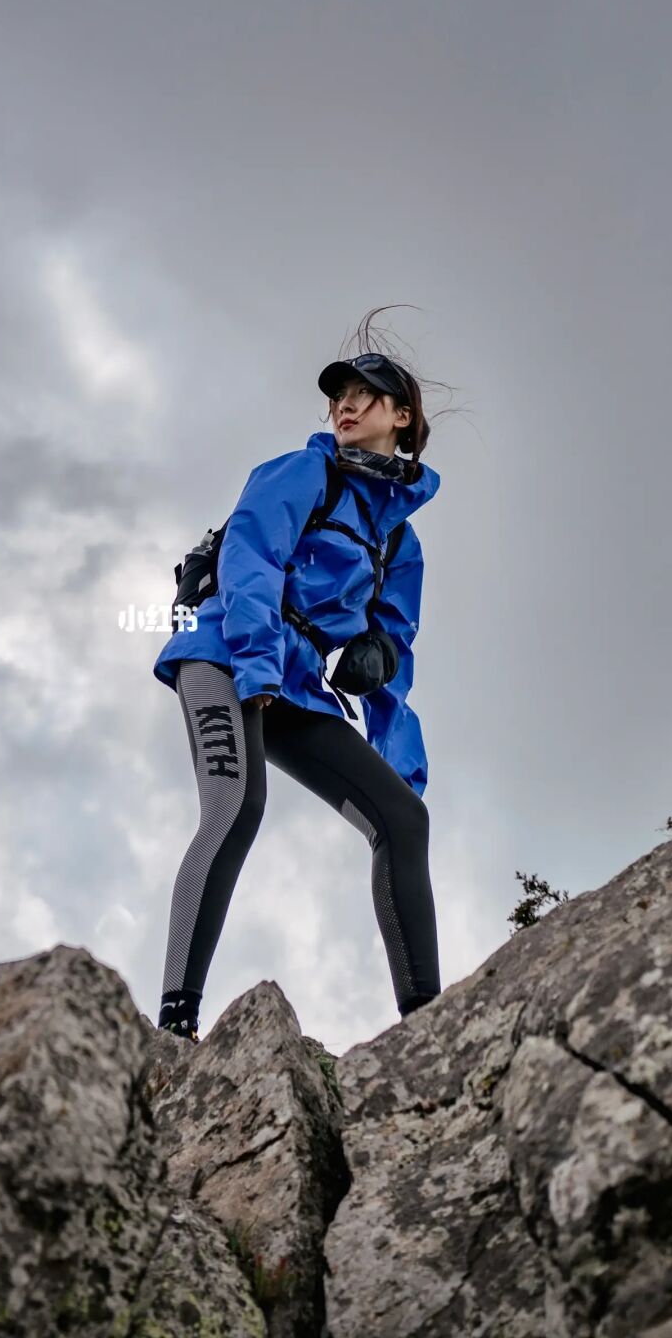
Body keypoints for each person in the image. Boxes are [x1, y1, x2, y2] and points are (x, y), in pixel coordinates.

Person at [152, 322, 444, 1043]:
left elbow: (392, 661)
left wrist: (399, 767)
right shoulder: (299, 473)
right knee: (237, 804)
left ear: (401, 416)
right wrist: (253, 664)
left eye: (364, 396)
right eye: (338, 397)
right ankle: (174, 1026)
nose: (345, 407)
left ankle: (431, 1026)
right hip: (225, 650)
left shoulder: (399, 543)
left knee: (403, 822)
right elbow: (250, 558)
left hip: (296, 681)